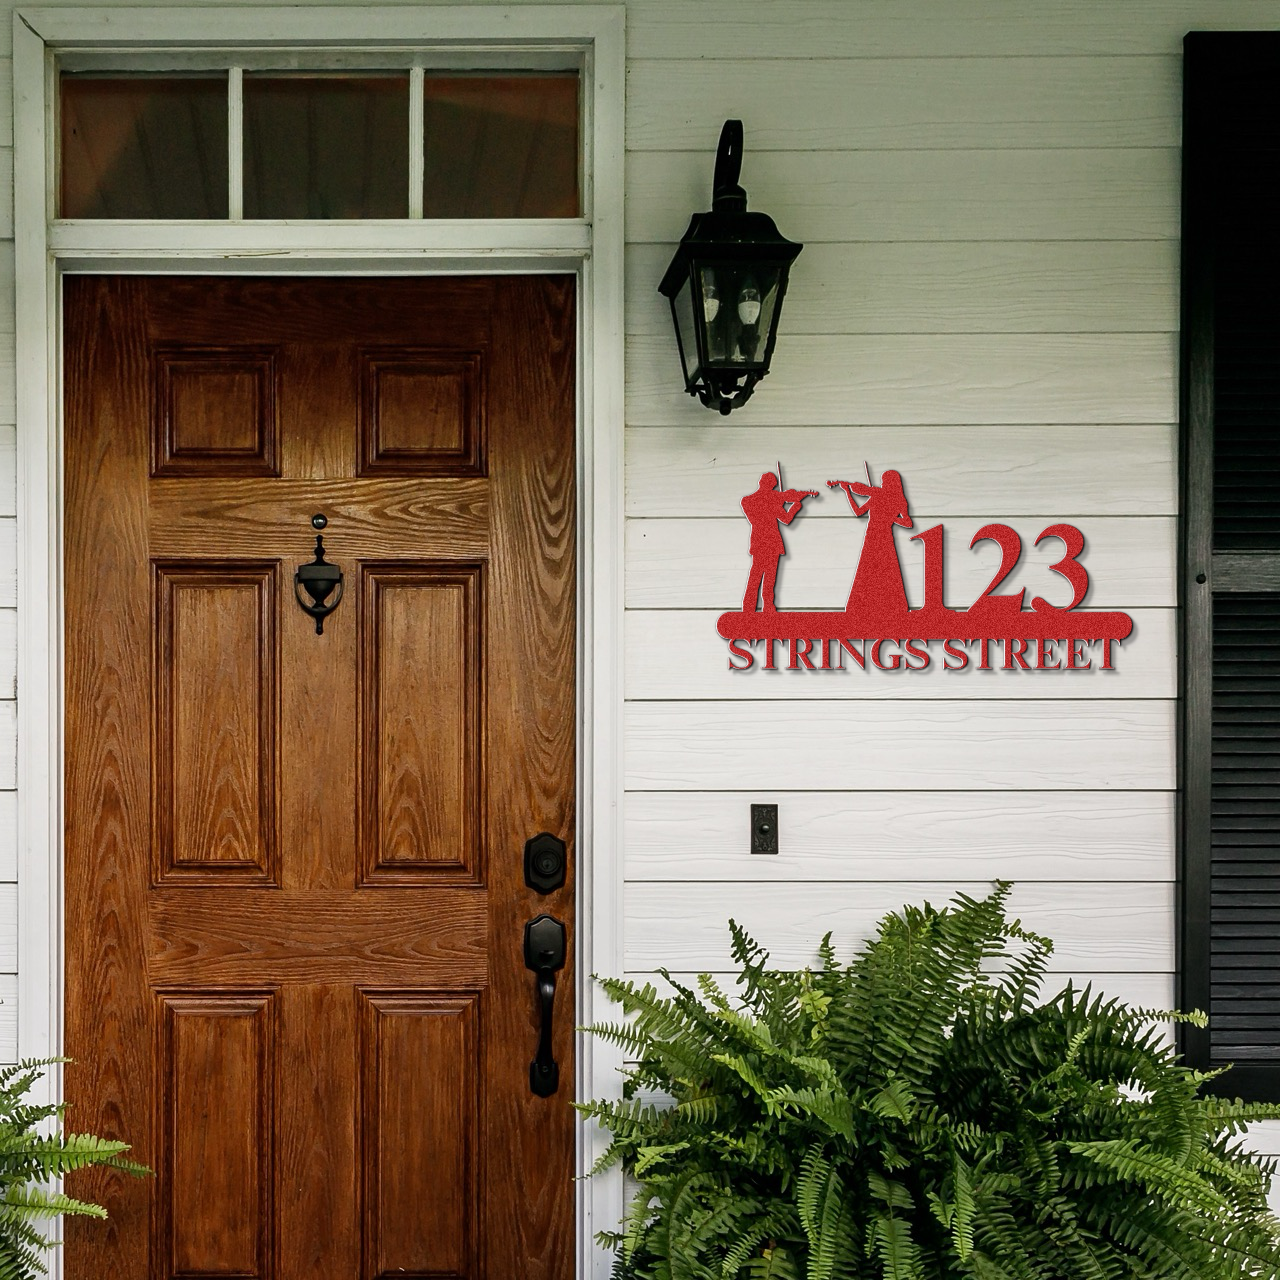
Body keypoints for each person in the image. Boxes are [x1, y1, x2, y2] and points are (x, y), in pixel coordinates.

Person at [740, 471, 815, 612]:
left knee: (755, 575)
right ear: (772, 485)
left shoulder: (747, 501)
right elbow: (786, 519)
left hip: (758, 541)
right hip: (772, 542)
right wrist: (796, 506)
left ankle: (748, 607)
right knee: (769, 577)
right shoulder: (772, 500)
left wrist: (782, 497)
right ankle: (768, 606)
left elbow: (781, 497)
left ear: (760, 482)